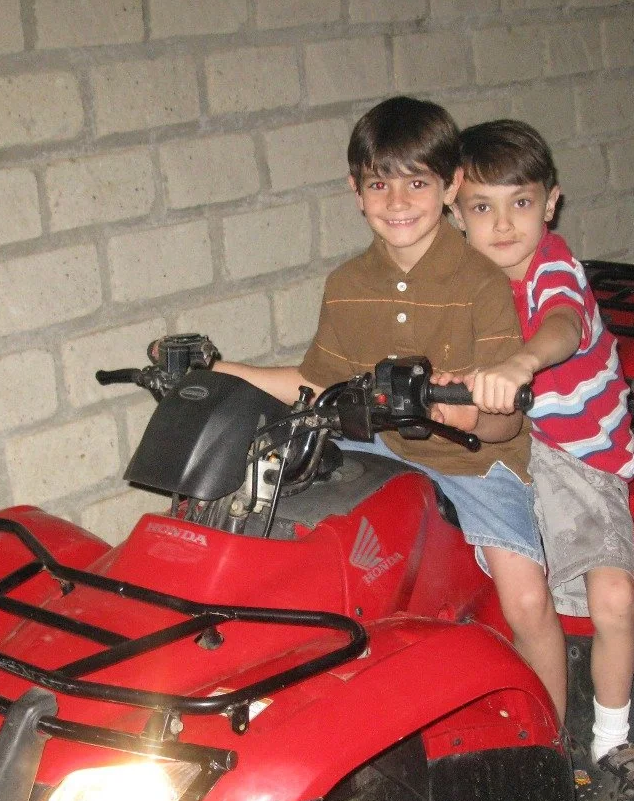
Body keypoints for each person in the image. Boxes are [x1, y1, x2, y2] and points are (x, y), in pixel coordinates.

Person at [212, 96, 570, 720]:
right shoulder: (347, 285)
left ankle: (554, 738)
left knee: (528, 602)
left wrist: (474, 414)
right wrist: (221, 372)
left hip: (473, 464)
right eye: (380, 184)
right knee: (277, 546)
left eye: (418, 183)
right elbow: (315, 382)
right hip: (372, 446)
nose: (398, 201)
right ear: (355, 191)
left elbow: (505, 420)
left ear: (451, 186)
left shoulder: (481, 282)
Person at [455, 118, 634, 801]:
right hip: (511, 447)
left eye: (520, 202)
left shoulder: (553, 267)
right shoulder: (461, 282)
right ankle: (529, 735)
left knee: (614, 600)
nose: (502, 224)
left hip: (582, 456)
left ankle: (611, 739)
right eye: (482, 207)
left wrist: (522, 361)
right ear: (457, 213)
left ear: (550, 204)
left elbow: (563, 325)